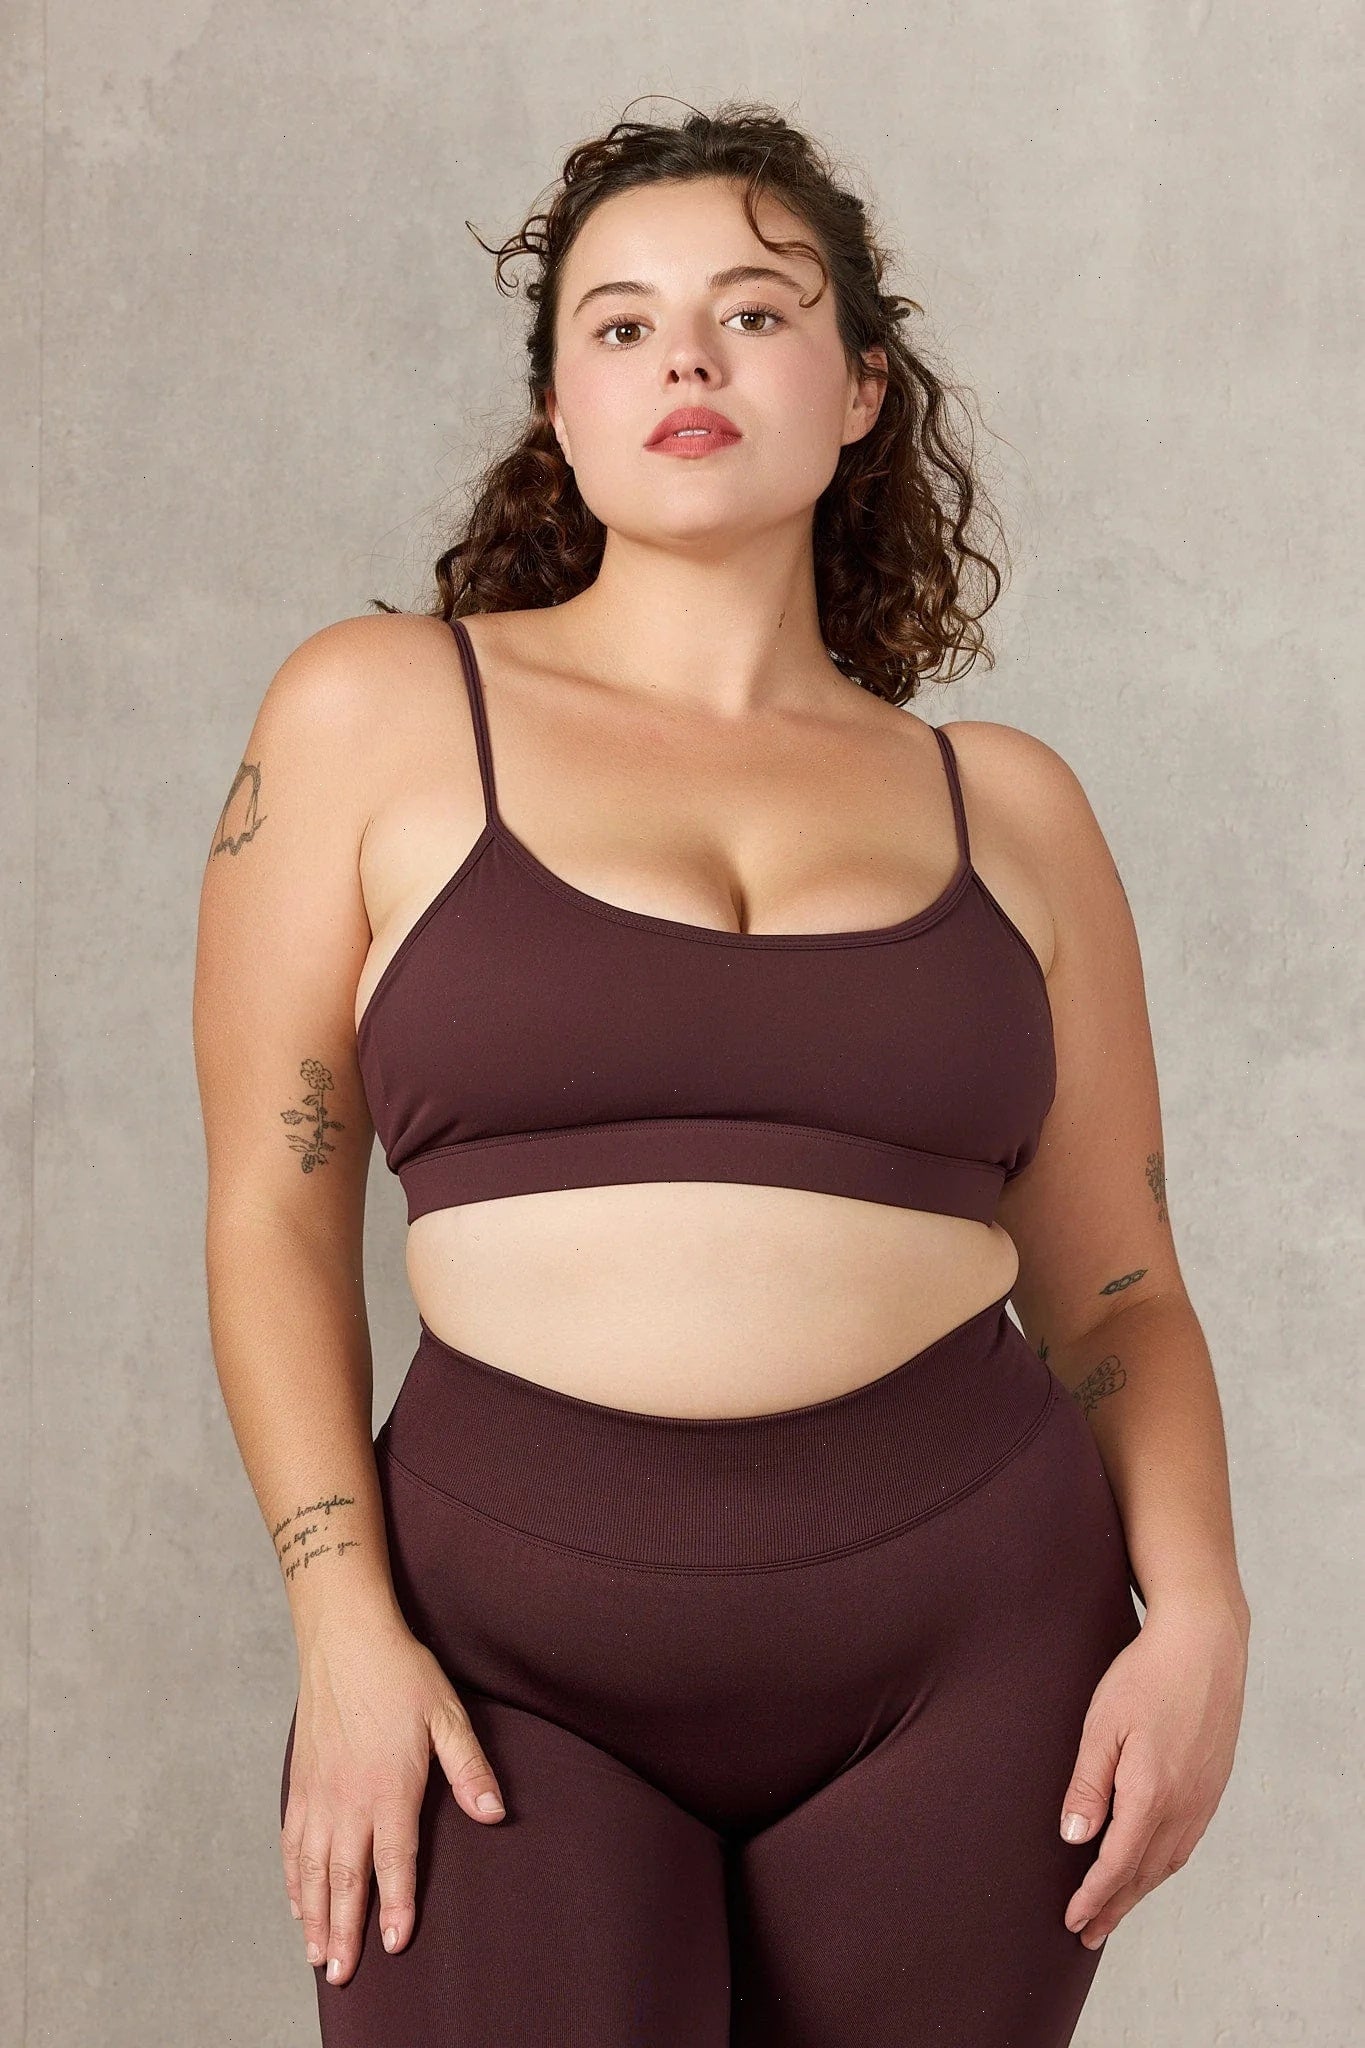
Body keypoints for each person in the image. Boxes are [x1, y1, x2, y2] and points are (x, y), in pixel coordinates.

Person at [193, 99, 1251, 2047]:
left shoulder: (1008, 808)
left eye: (752, 313)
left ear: (857, 390)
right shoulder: (373, 713)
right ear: (561, 410)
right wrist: (339, 1624)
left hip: (973, 1653)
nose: (683, 359)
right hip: (499, 1656)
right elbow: (272, 1210)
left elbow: (1115, 1295)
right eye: (619, 325)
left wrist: (1198, 1616)